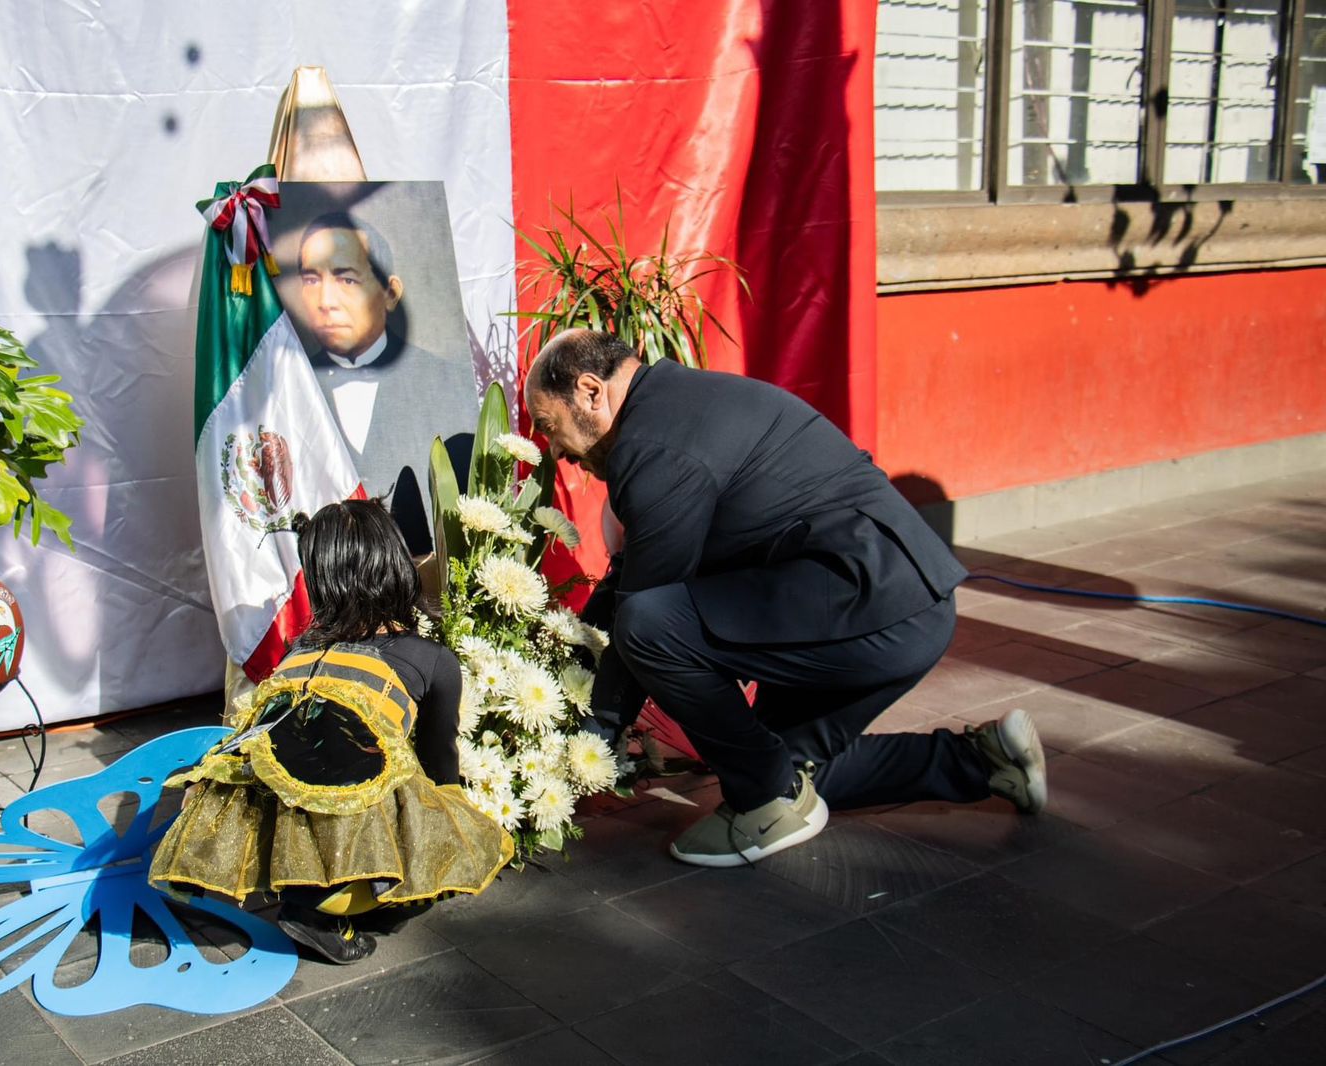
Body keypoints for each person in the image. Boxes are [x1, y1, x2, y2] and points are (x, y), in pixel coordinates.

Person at [522, 329, 1047, 868]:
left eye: (548, 427)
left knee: (651, 627)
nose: (557, 451)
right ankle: (985, 761)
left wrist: (591, 744)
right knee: (779, 759)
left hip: (871, 609)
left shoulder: (652, 442)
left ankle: (766, 805)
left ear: (589, 391)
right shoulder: (676, 407)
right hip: (901, 603)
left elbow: (645, 609)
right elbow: (629, 573)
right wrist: (565, 670)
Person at [151, 498, 513, 962]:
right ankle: (330, 906)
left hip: (262, 827)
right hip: (345, 825)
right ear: (397, 564)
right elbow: (439, 761)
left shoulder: (296, 653)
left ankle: (299, 888)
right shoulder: (431, 661)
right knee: (428, 816)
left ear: (319, 582)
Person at [296, 212, 477, 554]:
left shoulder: (445, 382)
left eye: (346, 279)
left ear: (391, 293)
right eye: (311, 280)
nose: (325, 302)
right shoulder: (283, 393)